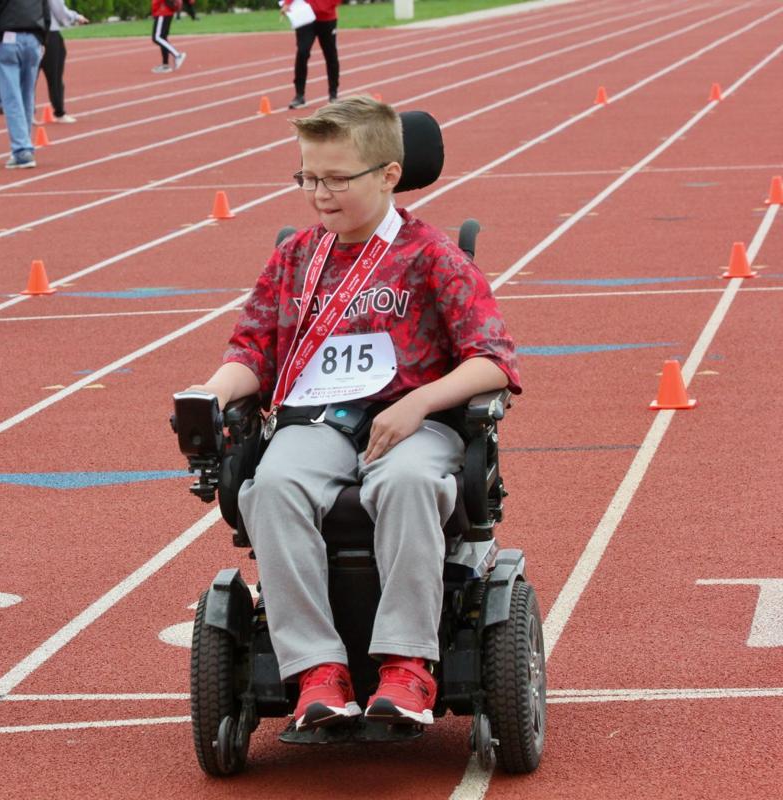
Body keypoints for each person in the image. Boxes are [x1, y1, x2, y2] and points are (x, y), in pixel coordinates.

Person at [182, 98, 520, 731]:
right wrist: (211, 392)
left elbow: (493, 360)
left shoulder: (433, 257)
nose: (320, 194)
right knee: (273, 485)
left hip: (416, 423)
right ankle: (317, 669)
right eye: (309, 177)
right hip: (319, 423)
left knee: (408, 481)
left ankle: (407, 663)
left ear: (388, 174)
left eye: (337, 179)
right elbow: (251, 351)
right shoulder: (294, 260)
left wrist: (419, 402)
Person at [0, 0, 49, 169]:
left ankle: (22, 150)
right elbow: (45, 6)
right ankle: (24, 146)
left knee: (11, 97)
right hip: (33, 38)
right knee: (27, 95)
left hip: (6, 40)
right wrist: (43, 37)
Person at [283, 0, 339, 109]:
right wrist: (287, 3)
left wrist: (324, 7)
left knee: (331, 55)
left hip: (327, 18)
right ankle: (299, 95)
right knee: (302, 53)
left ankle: (333, 94)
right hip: (305, 18)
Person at [39, 0, 87, 124]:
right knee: (54, 76)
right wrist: (75, 17)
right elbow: (58, 8)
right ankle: (59, 112)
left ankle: (26, 114)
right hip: (49, 32)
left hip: (26, 33)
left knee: (27, 79)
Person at [149, 0, 184, 74]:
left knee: (157, 38)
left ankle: (177, 55)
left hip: (162, 11)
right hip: (164, 11)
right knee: (162, 38)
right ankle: (165, 65)